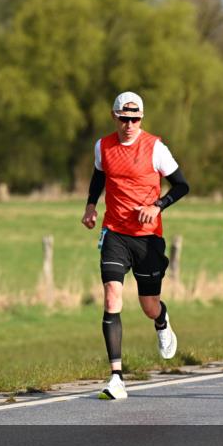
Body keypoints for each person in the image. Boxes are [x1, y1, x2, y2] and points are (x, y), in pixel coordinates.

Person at [82, 91, 190, 400]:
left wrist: (157, 206)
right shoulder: (103, 146)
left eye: (135, 119)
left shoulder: (155, 148)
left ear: (141, 118)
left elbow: (183, 185)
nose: (129, 124)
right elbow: (99, 176)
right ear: (114, 116)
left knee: (148, 305)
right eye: (124, 118)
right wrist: (91, 206)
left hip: (147, 237)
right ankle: (116, 377)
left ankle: (161, 320)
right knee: (111, 296)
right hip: (115, 233)